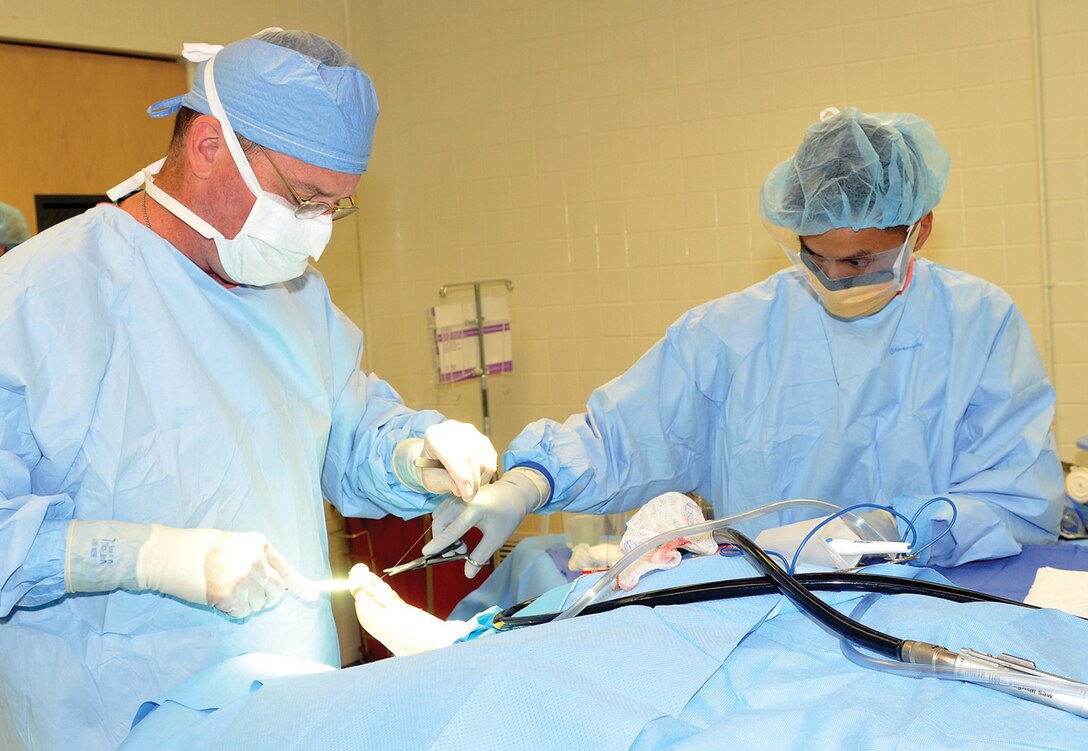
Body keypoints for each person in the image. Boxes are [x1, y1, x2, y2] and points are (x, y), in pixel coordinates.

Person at [0, 28, 496, 751]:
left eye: (337, 208)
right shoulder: (40, 299)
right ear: (207, 146)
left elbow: (347, 430)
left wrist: (414, 452)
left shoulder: (296, 296)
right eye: (302, 199)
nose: (316, 234)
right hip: (114, 739)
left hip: (289, 725)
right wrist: (152, 555)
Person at [424, 106, 1063, 577]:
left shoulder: (979, 323)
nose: (838, 279)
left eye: (864, 260)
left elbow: (1018, 501)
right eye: (817, 258)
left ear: (920, 229)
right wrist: (528, 484)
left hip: (929, 596)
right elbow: (624, 439)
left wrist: (895, 530)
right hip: (766, 602)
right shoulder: (731, 333)